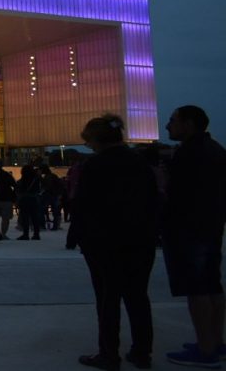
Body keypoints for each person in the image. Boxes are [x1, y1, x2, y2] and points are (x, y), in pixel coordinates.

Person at [70, 114, 158, 371]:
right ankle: (142, 352)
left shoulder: (96, 165)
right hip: (140, 241)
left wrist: (82, 237)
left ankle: (109, 353)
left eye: (89, 141)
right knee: (138, 297)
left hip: (105, 242)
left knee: (108, 299)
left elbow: (83, 205)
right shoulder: (140, 163)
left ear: (97, 139)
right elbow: (153, 200)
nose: (90, 146)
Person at [162, 106, 226, 368]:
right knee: (213, 286)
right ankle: (215, 341)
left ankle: (205, 350)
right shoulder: (216, 150)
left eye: (172, 121)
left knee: (197, 289)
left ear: (188, 124)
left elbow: (178, 195)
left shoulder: (190, 154)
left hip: (189, 229)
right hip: (210, 227)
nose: (168, 126)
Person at [16, 164, 44, 241]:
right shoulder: (36, 179)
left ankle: (26, 234)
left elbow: (19, 189)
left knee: (25, 218)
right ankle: (36, 234)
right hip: (34, 199)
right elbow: (40, 189)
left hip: (25, 199)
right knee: (35, 217)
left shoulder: (22, 180)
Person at [0, 160, 17, 239]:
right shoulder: (7, 175)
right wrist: (13, 196)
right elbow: (15, 185)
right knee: (6, 219)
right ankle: (3, 234)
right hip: (6, 199)